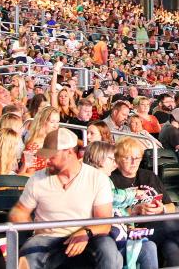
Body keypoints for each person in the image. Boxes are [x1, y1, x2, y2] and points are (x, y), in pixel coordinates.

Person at [9, 127, 122, 269]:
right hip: (47, 237)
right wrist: (20, 217)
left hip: (87, 236)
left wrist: (85, 233)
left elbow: (104, 223)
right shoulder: (37, 179)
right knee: (29, 252)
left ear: (69, 153)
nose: (46, 161)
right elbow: (20, 211)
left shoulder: (97, 178)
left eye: (52, 157)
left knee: (107, 249)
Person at [111, 136, 179, 266]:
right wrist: (135, 210)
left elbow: (170, 207)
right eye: (128, 158)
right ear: (118, 159)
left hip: (158, 227)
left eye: (137, 158)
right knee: (168, 224)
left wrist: (162, 209)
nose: (134, 162)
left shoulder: (149, 176)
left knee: (171, 244)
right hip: (132, 231)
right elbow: (111, 214)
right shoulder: (112, 180)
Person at [82, 141, 159, 269]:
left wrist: (128, 228)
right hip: (99, 236)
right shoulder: (92, 178)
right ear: (100, 160)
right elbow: (113, 198)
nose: (115, 163)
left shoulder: (106, 179)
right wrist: (133, 194)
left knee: (149, 246)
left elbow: (117, 210)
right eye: (112, 159)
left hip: (116, 233)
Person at [21, 106, 60, 175]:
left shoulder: (57, 141)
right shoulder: (32, 146)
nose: (56, 126)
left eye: (57, 122)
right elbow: (29, 173)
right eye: (52, 122)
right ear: (43, 122)